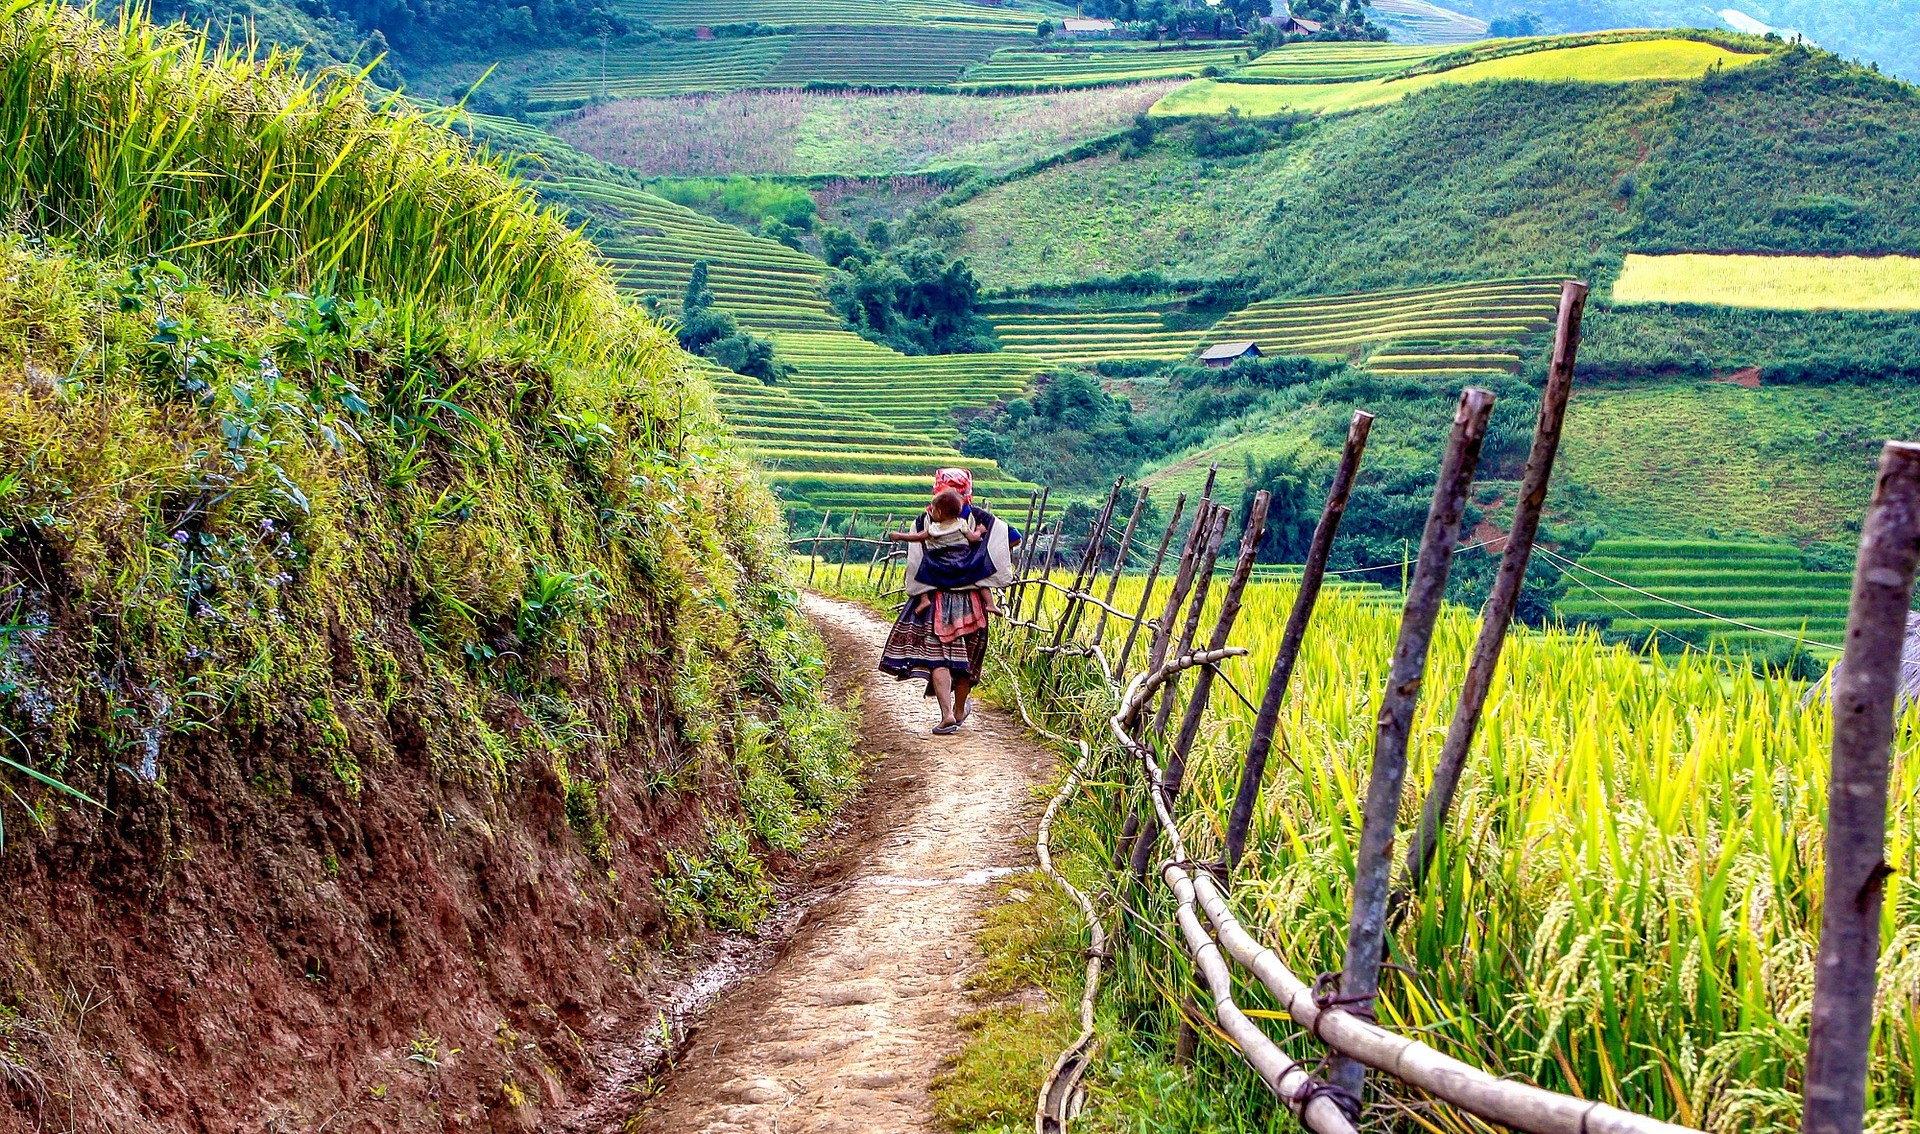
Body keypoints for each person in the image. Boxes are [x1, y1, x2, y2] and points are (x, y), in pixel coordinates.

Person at [878, 469, 1021, 734]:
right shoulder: (982, 520)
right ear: (969, 494)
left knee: (938, 659)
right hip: (973, 601)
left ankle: (946, 714)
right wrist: (978, 556)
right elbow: (1012, 539)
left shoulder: (925, 522)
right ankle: (959, 709)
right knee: (966, 660)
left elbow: (916, 558)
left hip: (937, 601)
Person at [887, 488, 1001, 617]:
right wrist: (980, 531)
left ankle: (924, 600)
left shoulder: (933, 528)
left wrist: (899, 536)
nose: (931, 512)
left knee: (922, 570)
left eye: (933, 509)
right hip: (962, 561)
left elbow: (917, 537)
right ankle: (990, 603)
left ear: (939, 511)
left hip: (940, 563)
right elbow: (973, 538)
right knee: (979, 574)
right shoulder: (962, 524)